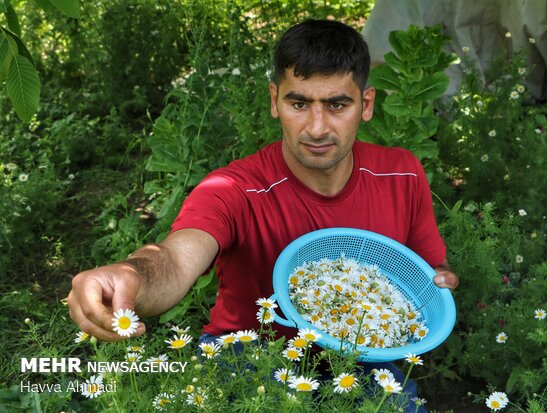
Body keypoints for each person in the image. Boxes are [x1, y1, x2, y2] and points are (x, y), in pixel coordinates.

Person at [68, 19, 458, 411]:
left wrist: (437, 282)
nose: (317, 128)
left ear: (367, 104)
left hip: (361, 357)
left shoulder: (402, 173)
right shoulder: (235, 188)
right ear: (275, 101)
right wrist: (131, 276)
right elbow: (175, 258)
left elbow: (426, 269)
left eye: (337, 104)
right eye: (299, 103)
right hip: (248, 353)